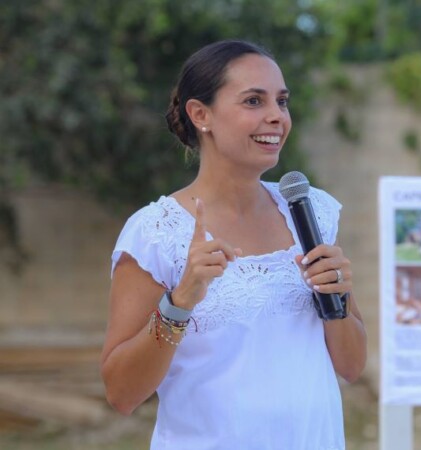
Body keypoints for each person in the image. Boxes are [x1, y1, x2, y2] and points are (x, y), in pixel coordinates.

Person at [100, 39, 367, 450]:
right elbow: (121, 393)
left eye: (282, 101)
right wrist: (180, 302)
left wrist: (338, 298)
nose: (276, 117)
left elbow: (351, 366)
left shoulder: (310, 212)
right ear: (200, 114)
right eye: (254, 101)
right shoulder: (155, 232)